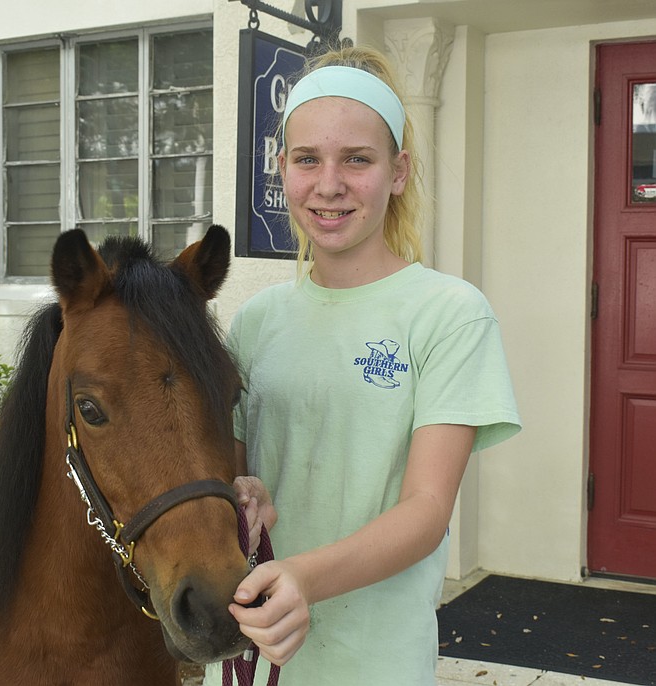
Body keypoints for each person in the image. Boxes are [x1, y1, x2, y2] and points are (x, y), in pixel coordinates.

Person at [204, 44, 521, 685]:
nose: (329, 185)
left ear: (398, 171)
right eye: (307, 159)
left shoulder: (448, 314)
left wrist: (302, 577)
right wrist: (244, 494)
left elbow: (426, 510)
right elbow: (231, 475)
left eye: (357, 159)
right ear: (282, 168)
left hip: (374, 663)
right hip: (251, 661)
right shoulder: (255, 322)